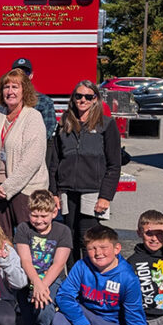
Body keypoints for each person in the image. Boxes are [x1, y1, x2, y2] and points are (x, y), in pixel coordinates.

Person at [50, 226, 163, 325]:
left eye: (104, 247)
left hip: (110, 321)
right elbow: (64, 296)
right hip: (85, 312)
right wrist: (81, 322)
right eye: (92, 248)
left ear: (117, 249)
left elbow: (134, 316)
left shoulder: (127, 277)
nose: (98, 253)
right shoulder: (82, 266)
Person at [52, 79, 122, 262]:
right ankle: (73, 284)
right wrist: (53, 192)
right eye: (79, 96)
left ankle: (90, 284)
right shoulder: (63, 124)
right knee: (68, 240)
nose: (83, 100)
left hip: (93, 191)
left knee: (88, 241)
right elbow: (54, 161)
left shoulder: (106, 125)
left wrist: (105, 196)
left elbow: (114, 164)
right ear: (73, 99)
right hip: (67, 192)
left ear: (95, 99)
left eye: (88, 96)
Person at [0, 68, 49, 236]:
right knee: (1, 240)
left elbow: (32, 160)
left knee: (29, 240)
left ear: (24, 90)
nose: (10, 91)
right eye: (6, 87)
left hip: (25, 191)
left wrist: (7, 188)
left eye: (15, 87)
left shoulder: (33, 117)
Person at [13, 190, 72, 325]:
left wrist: (42, 285)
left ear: (54, 213)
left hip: (52, 277)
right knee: (30, 318)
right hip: (30, 276)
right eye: (35, 215)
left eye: (44, 216)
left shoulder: (63, 231)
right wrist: (36, 283)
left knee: (44, 302)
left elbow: (58, 263)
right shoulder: (24, 228)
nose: (39, 220)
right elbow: (25, 260)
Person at [0, 58, 57, 138]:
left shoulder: (44, 102)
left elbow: (47, 130)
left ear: (31, 75)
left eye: (25, 73)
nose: (22, 76)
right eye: (17, 72)